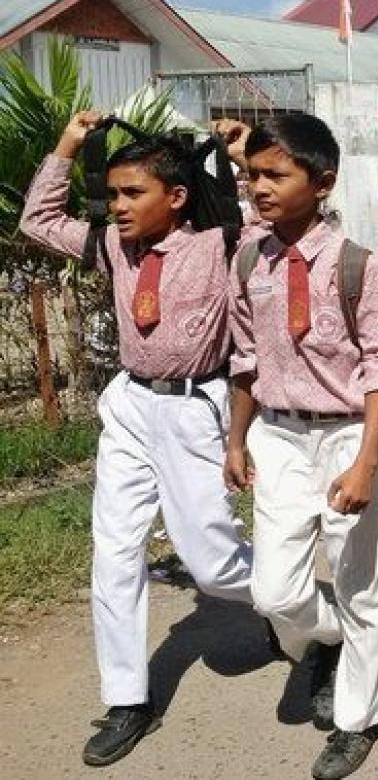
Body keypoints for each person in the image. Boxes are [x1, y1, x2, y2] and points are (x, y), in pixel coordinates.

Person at [20, 112, 254, 767]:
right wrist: (68, 145)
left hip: (192, 408)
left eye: (131, 194)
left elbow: (277, 220)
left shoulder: (218, 246)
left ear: (175, 197)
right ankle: (128, 698)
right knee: (115, 551)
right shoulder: (112, 248)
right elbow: (38, 223)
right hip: (130, 403)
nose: (117, 207)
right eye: (113, 194)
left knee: (210, 559)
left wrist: (242, 156)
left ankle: (304, 613)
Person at [224, 113, 378, 780]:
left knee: (360, 581)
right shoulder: (251, 259)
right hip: (279, 433)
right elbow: (245, 359)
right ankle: (330, 642)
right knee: (274, 590)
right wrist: (236, 439)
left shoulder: (359, 263)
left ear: (322, 181)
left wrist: (364, 461)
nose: (259, 187)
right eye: (253, 175)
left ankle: (358, 718)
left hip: (348, 435)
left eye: (275, 174)